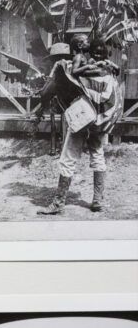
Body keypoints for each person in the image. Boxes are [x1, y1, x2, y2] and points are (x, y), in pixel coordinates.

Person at [38, 38, 123, 215]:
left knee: (68, 157)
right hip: (100, 119)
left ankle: (58, 203)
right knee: (98, 155)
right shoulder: (108, 69)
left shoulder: (73, 68)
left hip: (83, 116)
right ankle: (97, 200)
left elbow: (55, 87)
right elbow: (113, 90)